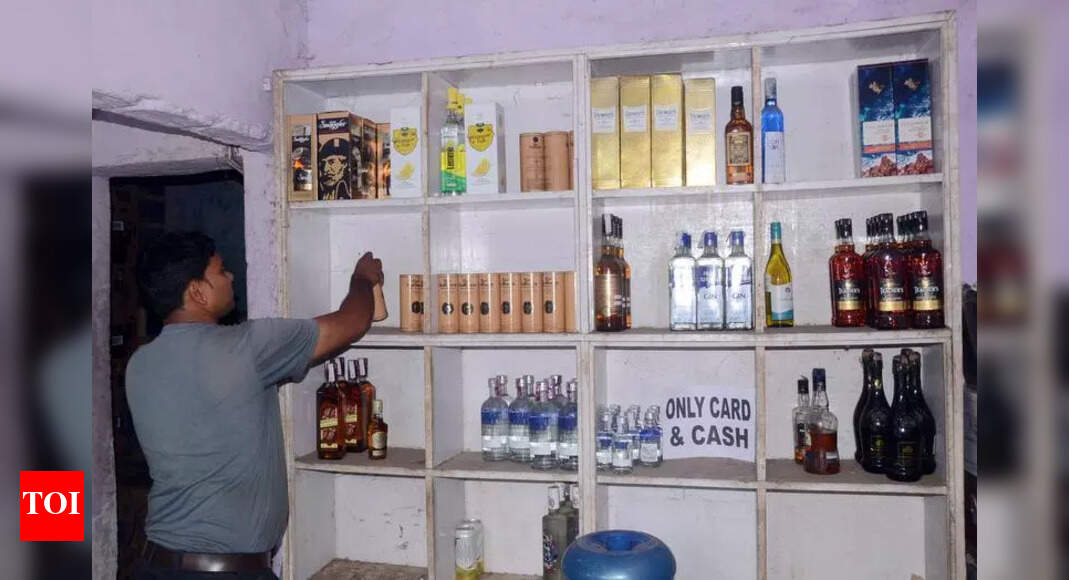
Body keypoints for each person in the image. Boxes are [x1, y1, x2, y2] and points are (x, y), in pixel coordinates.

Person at [126, 231, 382, 579]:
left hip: (157, 565)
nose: (231, 277)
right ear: (197, 291)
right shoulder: (248, 347)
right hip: (224, 573)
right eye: (220, 271)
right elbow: (352, 322)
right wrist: (362, 279)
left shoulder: (140, 363)